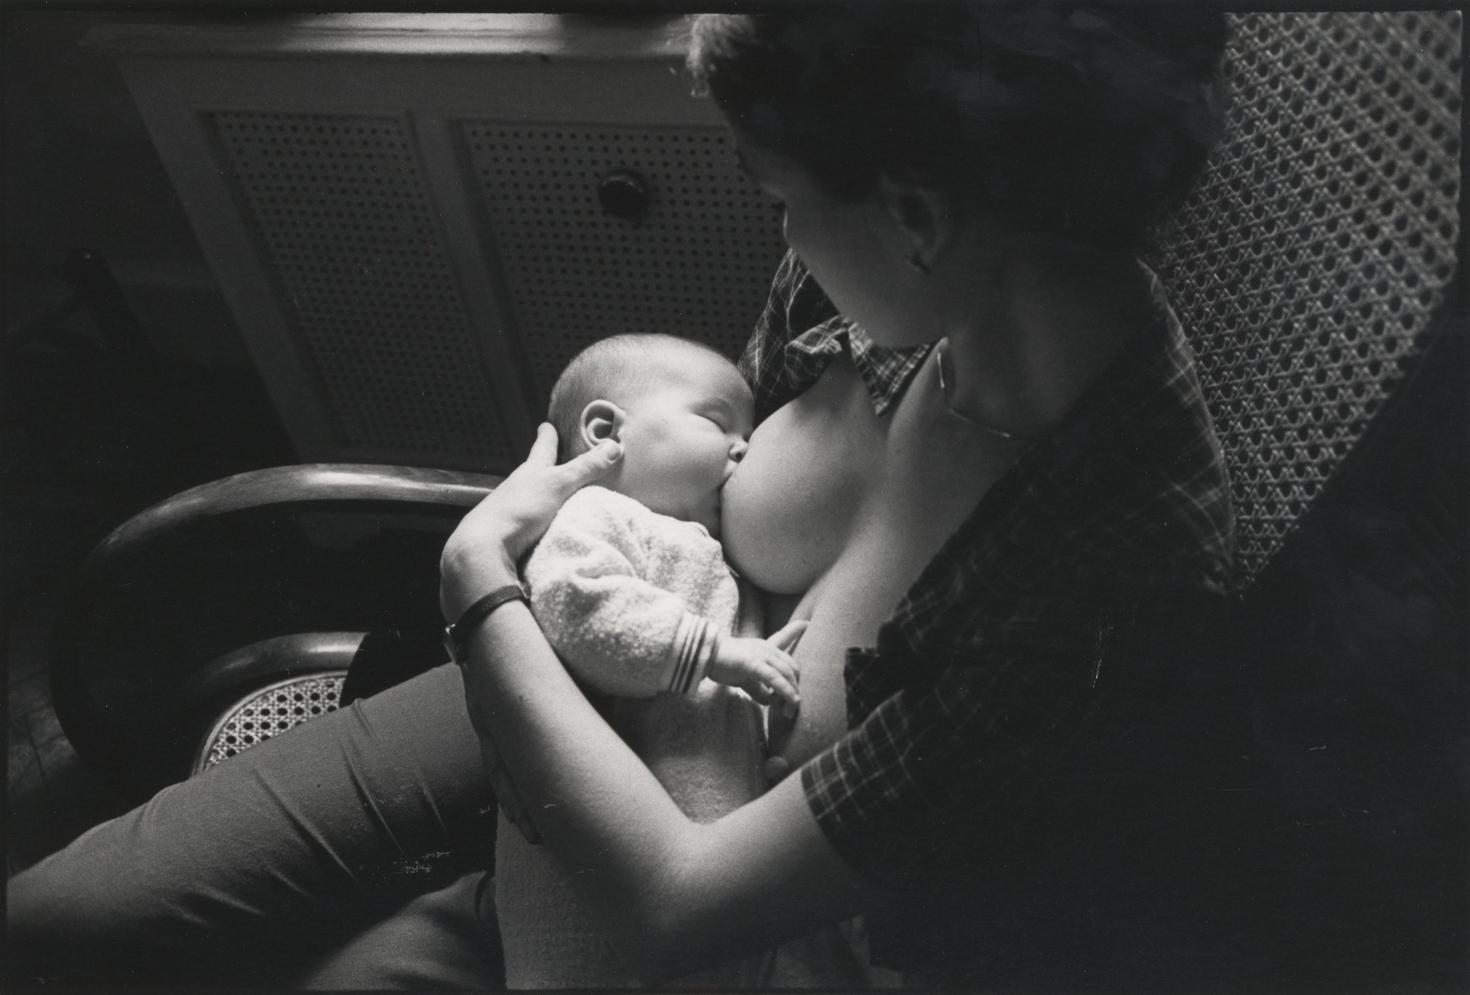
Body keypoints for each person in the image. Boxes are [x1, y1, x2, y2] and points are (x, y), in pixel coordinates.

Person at [8, 4, 1235, 989]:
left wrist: (477, 584)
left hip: (702, 891)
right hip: (577, 680)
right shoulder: (893, 309)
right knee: (52, 921)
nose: (787, 240)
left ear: (917, 213)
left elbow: (680, 904)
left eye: (780, 198)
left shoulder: (1100, 573)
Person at [497, 331, 856, 988]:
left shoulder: (706, 553)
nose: (745, 449)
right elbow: (574, 605)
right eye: (719, 422)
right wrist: (714, 652)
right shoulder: (595, 514)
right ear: (607, 429)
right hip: (599, 893)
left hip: (695, 876)